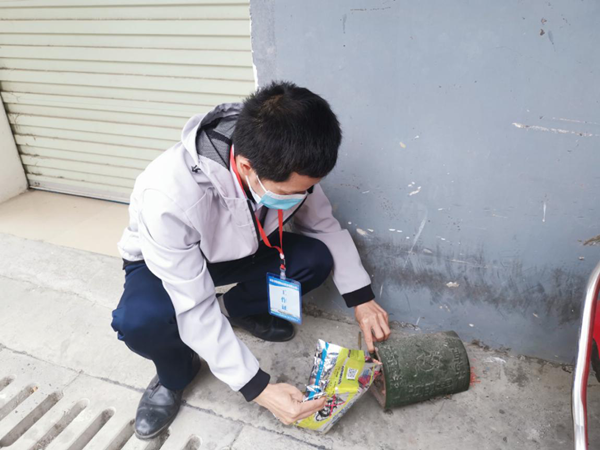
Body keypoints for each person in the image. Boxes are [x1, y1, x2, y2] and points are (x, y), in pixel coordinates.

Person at [111, 80, 391, 439]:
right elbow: (193, 304)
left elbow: (323, 226)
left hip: (242, 246)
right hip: (167, 263)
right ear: (245, 166)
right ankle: (175, 374)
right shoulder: (168, 194)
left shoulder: (283, 155)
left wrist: (361, 299)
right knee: (140, 320)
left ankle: (236, 309)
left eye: (308, 188)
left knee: (314, 258)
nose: (303, 196)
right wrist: (257, 388)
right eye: (291, 192)